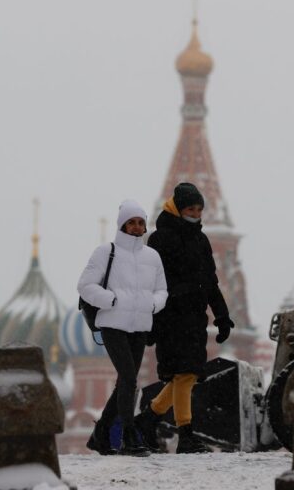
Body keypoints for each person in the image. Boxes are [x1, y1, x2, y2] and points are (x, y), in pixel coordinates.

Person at [136, 182, 234, 454]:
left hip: (194, 318)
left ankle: (148, 419)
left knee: (186, 376)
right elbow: (155, 282)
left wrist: (222, 316)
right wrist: (177, 296)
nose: (195, 213)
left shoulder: (200, 239)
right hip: (171, 317)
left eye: (199, 209)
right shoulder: (160, 238)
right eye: (190, 208)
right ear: (178, 208)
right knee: (184, 373)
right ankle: (186, 435)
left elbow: (210, 282)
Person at [78, 199, 168, 456]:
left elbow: (162, 289)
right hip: (113, 324)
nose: (137, 227)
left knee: (124, 384)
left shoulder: (152, 256)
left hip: (140, 325)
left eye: (141, 222)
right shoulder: (105, 252)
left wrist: (154, 304)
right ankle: (129, 436)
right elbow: (85, 285)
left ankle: (101, 434)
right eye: (131, 222)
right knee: (129, 379)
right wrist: (111, 300)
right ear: (122, 225)